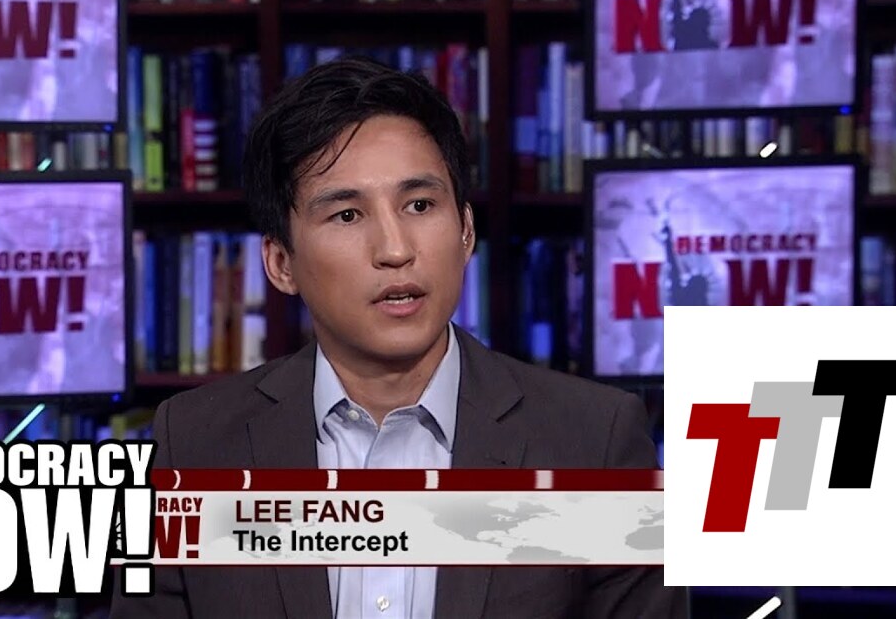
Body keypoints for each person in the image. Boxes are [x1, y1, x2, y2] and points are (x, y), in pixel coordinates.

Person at [110, 57, 685, 619]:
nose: (395, 249)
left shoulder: (594, 442)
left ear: (466, 230)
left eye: (419, 205)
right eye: (347, 215)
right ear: (281, 262)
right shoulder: (193, 443)